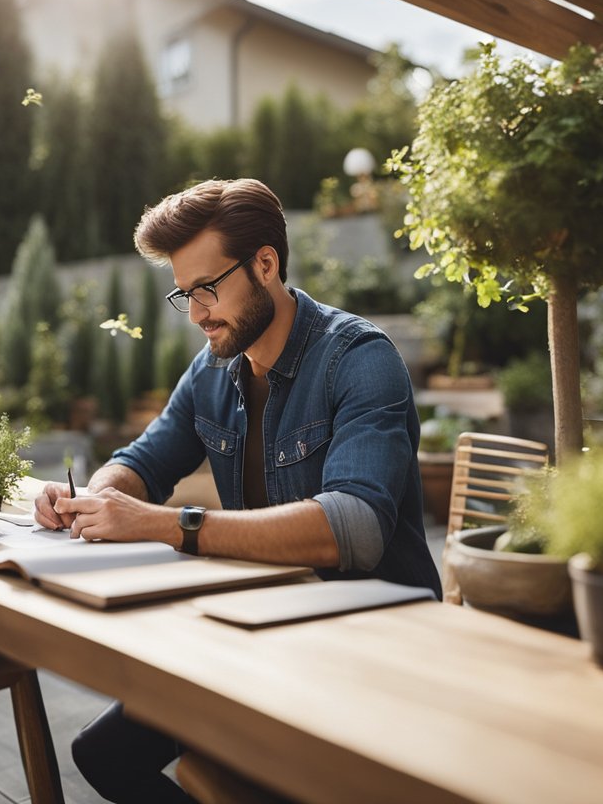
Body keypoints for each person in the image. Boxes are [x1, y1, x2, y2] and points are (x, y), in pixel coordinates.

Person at [34, 178, 441, 803]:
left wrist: (168, 525)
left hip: (375, 647)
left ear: (266, 264)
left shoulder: (359, 358)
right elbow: (142, 461)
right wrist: (95, 497)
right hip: (266, 631)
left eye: (207, 288)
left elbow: (354, 529)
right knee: (103, 754)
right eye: (184, 294)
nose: (196, 313)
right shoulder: (214, 367)